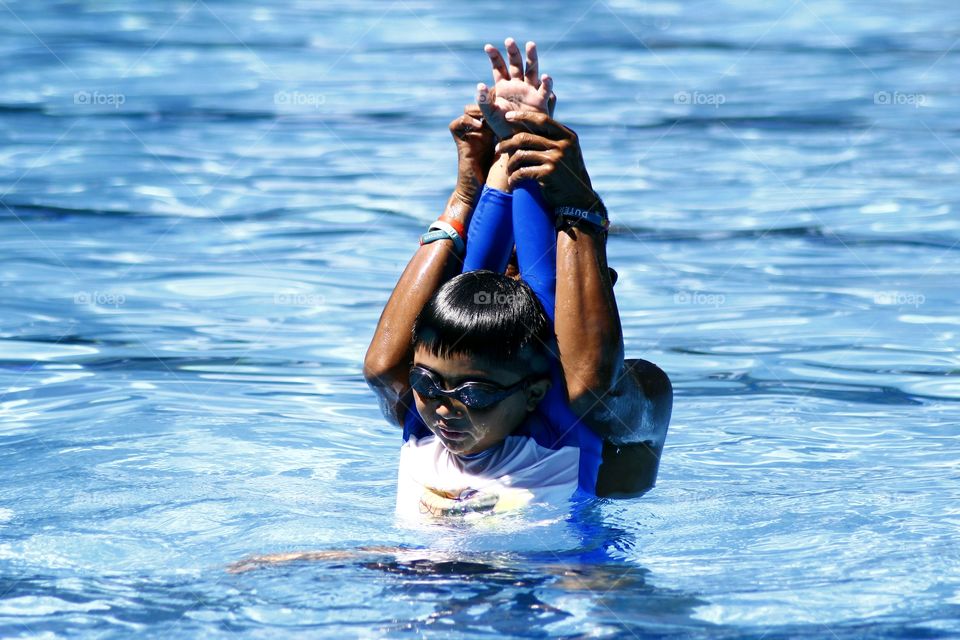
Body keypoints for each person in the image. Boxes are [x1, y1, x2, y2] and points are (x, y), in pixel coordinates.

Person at [363, 38, 673, 520]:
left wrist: (572, 203)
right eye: (428, 382)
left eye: (474, 394)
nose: (445, 405)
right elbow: (465, 292)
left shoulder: (566, 412)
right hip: (429, 581)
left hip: (556, 585)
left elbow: (584, 369)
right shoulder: (429, 403)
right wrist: (479, 181)